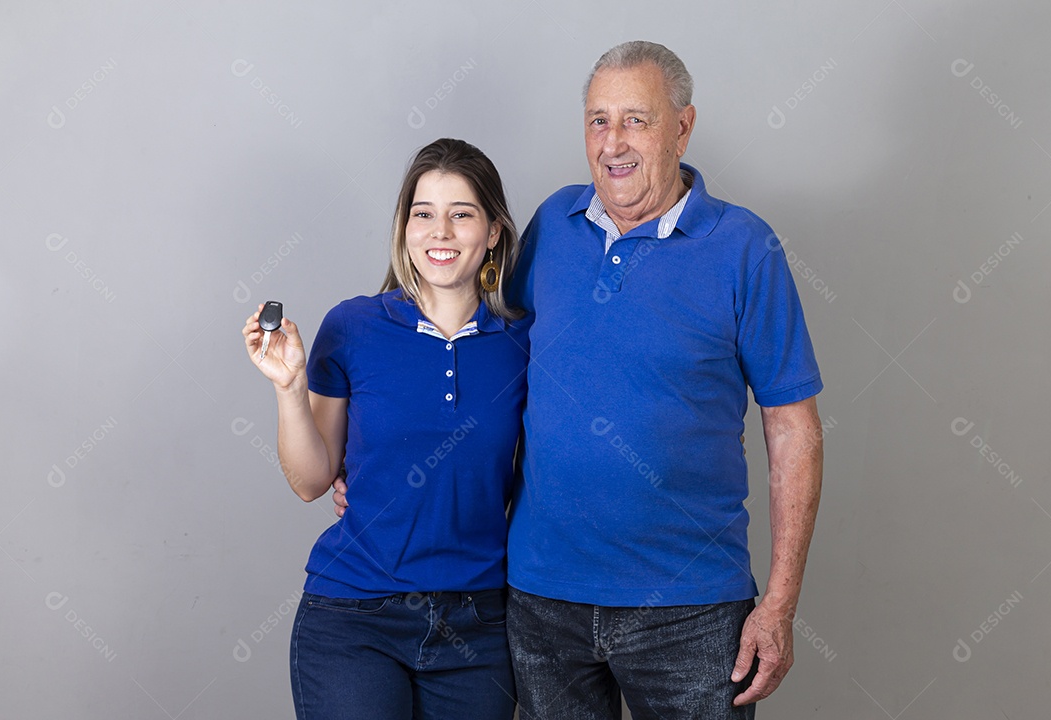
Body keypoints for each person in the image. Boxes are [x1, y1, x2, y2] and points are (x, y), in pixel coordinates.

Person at [336, 42, 824, 719]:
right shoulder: (552, 228)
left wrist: (779, 602)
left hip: (691, 611)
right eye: (598, 120)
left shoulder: (743, 248)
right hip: (541, 604)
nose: (613, 142)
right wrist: (387, 460)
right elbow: (471, 345)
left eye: (636, 120)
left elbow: (792, 425)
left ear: (682, 127)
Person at [243, 138, 530, 720]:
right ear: (404, 228)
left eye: (462, 214)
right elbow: (311, 480)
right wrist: (290, 387)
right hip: (355, 617)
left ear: (494, 231)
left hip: (480, 623)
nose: (440, 232)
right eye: (423, 214)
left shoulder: (526, 341)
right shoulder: (353, 326)